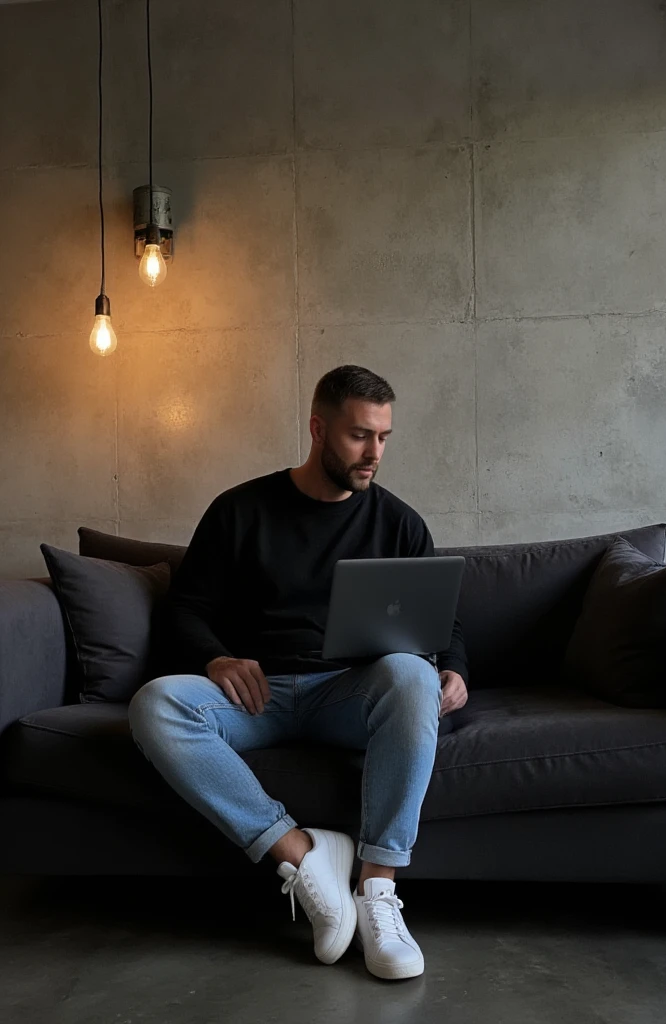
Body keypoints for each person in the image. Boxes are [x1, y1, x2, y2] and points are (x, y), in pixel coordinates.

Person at [128, 364, 469, 981]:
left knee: (412, 671)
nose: (374, 454)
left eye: (384, 437)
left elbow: (443, 626)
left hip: (347, 697)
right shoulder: (239, 510)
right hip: (254, 698)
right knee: (155, 702)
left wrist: (455, 670)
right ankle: (302, 854)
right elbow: (186, 609)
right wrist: (216, 658)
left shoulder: (399, 523)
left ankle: (377, 890)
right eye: (360, 436)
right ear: (318, 428)